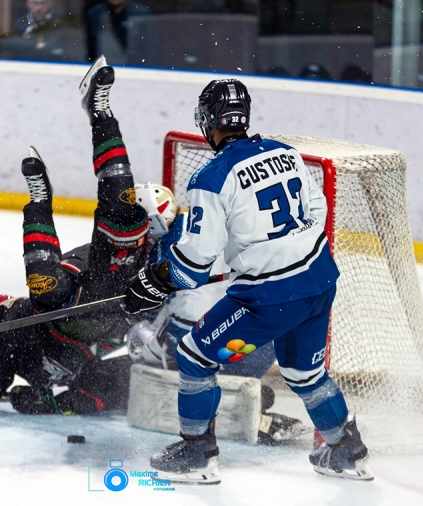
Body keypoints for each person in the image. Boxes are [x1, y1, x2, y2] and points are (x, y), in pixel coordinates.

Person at [124, 79, 373, 483]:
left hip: (271, 295)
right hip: (319, 280)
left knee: (193, 355)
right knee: (304, 374)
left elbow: (191, 266)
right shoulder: (286, 154)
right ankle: (346, 450)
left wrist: (151, 280)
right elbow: (318, 210)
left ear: (207, 121)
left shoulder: (212, 176)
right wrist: (275, 250)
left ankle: (197, 454)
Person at [0, 56, 150, 415]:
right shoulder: (12, 325)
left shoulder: (167, 259)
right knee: (46, 288)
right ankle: (40, 199)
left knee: (136, 377)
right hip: (63, 321)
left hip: (97, 333)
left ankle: (98, 111)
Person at [85, 0, 149, 63]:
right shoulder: (95, 14)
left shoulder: (141, 14)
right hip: (104, 70)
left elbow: (151, 50)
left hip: (136, 70)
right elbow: (88, 51)